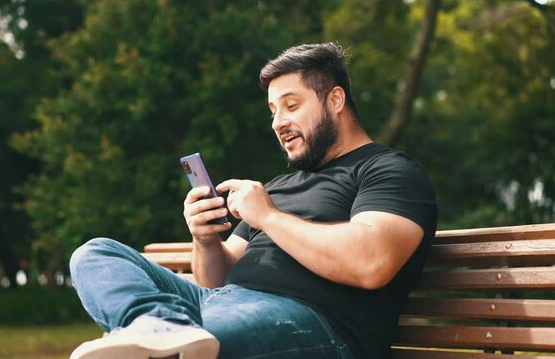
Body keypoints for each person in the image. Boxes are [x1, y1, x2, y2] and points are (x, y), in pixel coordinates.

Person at [69, 42, 437, 359]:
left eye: (291, 105)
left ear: (335, 99)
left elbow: (371, 263)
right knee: (96, 254)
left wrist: (269, 217)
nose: (278, 122)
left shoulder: (388, 170)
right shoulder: (277, 187)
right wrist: (205, 238)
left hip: (314, 323)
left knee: (191, 342)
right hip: (220, 303)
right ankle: (162, 324)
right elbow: (216, 280)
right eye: (273, 111)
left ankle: (165, 330)